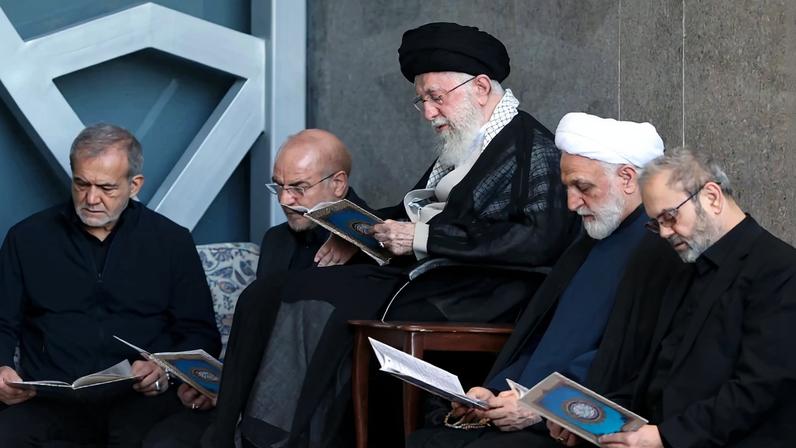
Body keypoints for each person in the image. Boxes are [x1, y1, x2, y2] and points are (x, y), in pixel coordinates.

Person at [205, 22, 580, 448]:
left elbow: (537, 240)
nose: (429, 113)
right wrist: (354, 229)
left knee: (320, 301)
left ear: (479, 87)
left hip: (480, 292)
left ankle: (298, 438)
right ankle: (237, 432)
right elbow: (414, 211)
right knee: (266, 293)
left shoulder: (535, 147)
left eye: (436, 98)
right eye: (421, 101)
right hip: (429, 279)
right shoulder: (464, 142)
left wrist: (422, 238)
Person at [407, 112, 683, 448]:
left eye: (583, 187)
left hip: (573, 426)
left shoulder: (659, 249)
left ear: (627, 178)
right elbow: (543, 342)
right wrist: (493, 392)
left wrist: (537, 406)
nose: (571, 203)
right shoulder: (587, 242)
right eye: (567, 188)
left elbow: (623, 360)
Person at [547, 147, 796, 447]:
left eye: (669, 217)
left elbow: (758, 390)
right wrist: (593, 421)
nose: (664, 233)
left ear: (712, 198)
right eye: (656, 223)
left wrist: (664, 437)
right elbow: (655, 375)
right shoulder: (686, 265)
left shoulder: (781, 269)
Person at [144, 128, 368, 448]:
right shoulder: (276, 240)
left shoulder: (371, 241)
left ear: (338, 184)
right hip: (256, 396)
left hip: (321, 408)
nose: (284, 200)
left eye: (298, 187)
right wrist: (223, 386)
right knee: (164, 440)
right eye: (278, 186)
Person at [0, 123, 221, 447]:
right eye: (81, 184)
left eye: (106, 187)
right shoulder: (26, 238)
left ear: (134, 185)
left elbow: (200, 332)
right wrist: (1, 368)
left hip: (140, 401)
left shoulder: (171, 242)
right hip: (52, 401)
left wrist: (162, 367)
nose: (91, 198)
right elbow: (2, 321)